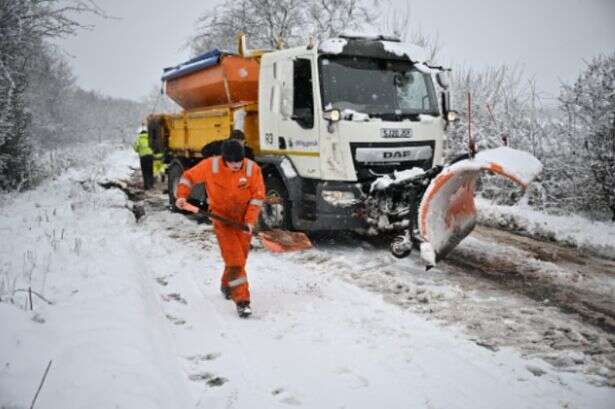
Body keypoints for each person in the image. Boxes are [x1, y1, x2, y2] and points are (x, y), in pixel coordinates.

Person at [175, 139, 265, 318]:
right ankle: (242, 301)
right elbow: (188, 177)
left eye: (239, 162)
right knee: (234, 259)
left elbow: (258, 196)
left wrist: (249, 221)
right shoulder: (211, 166)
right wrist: (182, 196)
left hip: (242, 220)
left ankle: (227, 285)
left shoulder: (251, 169)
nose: (236, 165)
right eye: (232, 163)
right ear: (225, 159)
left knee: (241, 257)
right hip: (221, 218)